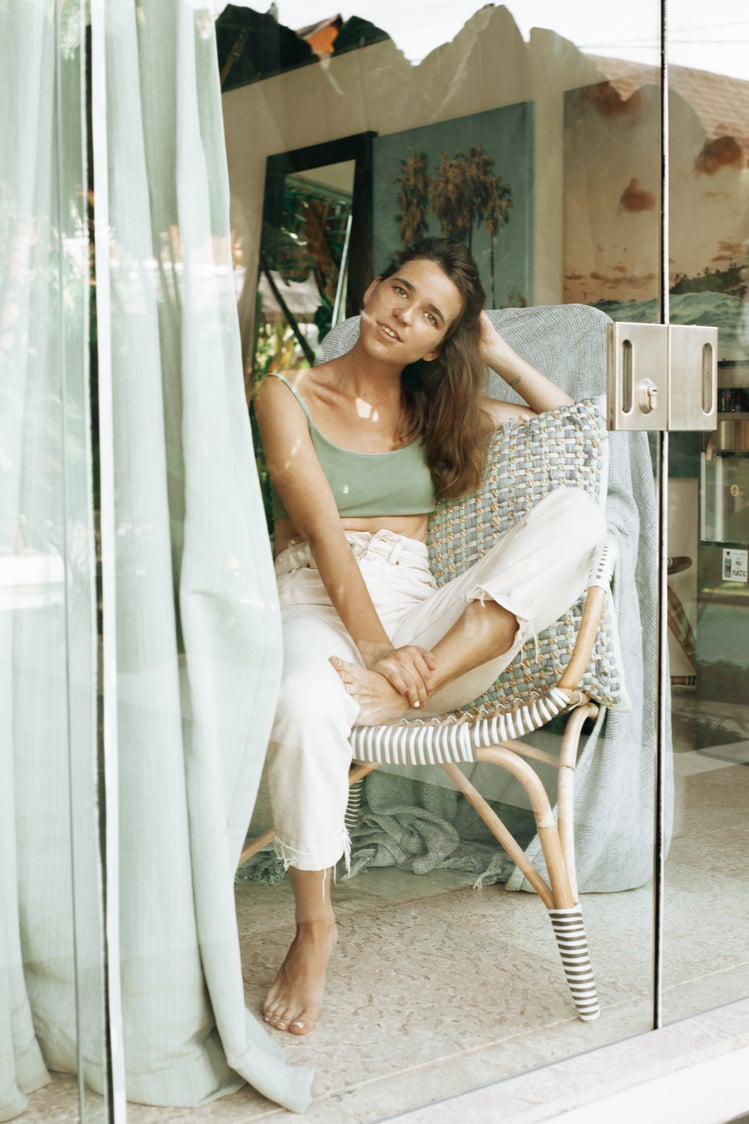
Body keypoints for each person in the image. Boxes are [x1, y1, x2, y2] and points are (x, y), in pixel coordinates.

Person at [253, 237, 605, 1037]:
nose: (403, 317)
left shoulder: (436, 406)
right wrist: (374, 649)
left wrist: (500, 353)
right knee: (306, 704)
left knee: (579, 518)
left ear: (437, 341)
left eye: (429, 316)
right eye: (399, 293)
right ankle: (314, 930)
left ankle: (395, 690)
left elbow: (573, 443)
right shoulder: (287, 393)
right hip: (319, 597)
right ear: (371, 292)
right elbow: (322, 529)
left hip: (428, 623)